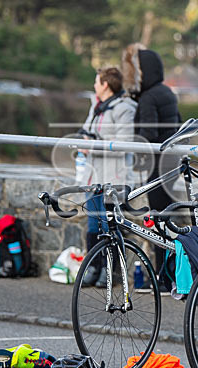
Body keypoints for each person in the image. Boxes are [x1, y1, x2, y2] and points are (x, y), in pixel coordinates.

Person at [122, 43, 180, 294]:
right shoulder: (165, 92)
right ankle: (171, 276)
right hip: (172, 163)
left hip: (157, 167)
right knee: (167, 221)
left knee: (158, 222)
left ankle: (165, 279)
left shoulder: (148, 98)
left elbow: (148, 135)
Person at [79, 67, 137, 287]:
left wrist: (92, 145)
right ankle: (93, 267)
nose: (94, 85)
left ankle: (110, 270)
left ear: (105, 84)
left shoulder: (125, 109)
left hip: (114, 177)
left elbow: (123, 143)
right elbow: (86, 130)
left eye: (96, 81)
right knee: (93, 225)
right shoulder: (96, 106)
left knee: (110, 225)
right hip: (93, 176)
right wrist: (86, 140)